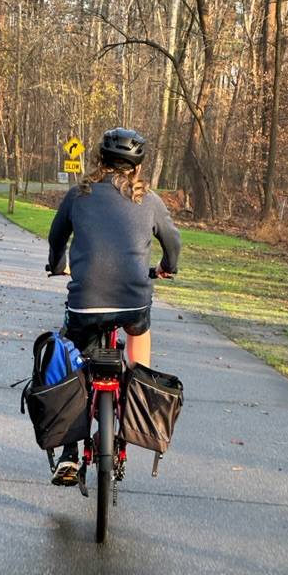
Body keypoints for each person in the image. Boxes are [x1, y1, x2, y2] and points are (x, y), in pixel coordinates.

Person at [47, 127, 181, 485]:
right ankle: (137, 393)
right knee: (140, 330)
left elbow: (56, 235)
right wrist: (168, 267)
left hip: (85, 303)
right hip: (134, 301)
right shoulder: (148, 200)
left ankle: (70, 454)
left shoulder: (79, 194)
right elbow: (172, 240)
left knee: (70, 357)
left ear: (99, 160)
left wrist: (57, 264)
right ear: (137, 167)